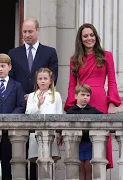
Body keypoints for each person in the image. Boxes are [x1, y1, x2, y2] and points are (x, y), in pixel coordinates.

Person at [64, 23, 121, 169]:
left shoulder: (106, 55)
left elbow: (112, 81)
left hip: (100, 101)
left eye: (91, 35)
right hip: (81, 102)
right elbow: (72, 85)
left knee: (99, 142)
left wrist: (112, 103)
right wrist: (71, 106)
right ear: (80, 39)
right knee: (82, 144)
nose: (89, 38)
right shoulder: (74, 59)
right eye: (85, 36)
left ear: (96, 36)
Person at [8, 17, 59, 180]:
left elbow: (53, 77)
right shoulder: (13, 53)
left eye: (30, 31)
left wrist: (37, 94)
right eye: (24, 32)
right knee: (22, 148)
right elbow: (12, 78)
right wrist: (22, 97)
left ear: (37, 30)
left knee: (43, 147)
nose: (27, 35)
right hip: (20, 105)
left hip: (44, 103)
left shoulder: (49, 52)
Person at [25, 68, 62, 179]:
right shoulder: (32, 96)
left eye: (45, 78)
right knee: (37, 161)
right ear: (36, 81)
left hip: (52, 133)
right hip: (35, 134)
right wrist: (38, 105)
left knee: (50, 161)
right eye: (40, 78)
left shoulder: (56, 95)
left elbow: (59, 114)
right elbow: (28, 114)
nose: (42, 81)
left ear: (50, 81)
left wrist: (59, 132)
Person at [67, 84, 103, 180]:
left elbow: (104, 120)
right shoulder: (71, 111)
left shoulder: (93, 110)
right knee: (79, 167)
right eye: (82, 95)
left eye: (88, 95)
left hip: (89, 143)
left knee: (89, 166)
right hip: (76, 144)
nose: (85, 97)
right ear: (76, 96)